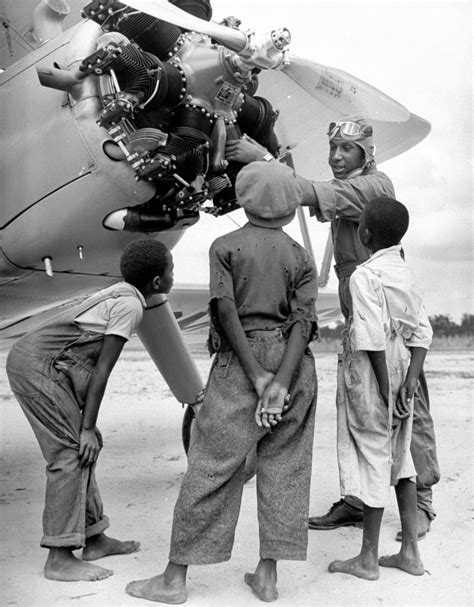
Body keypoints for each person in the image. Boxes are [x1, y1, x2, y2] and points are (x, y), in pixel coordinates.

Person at [225, 115, 440, 541]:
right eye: (334, 149)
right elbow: (315, 193)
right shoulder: (351, 187)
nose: (337, 157)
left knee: (405, 402)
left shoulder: (377, 188)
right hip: (355, 306)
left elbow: (309, 192)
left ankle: (422, 501)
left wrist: (265, 161)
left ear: (367, 153)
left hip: (384, 312)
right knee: (358, 406)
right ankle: (360, 499)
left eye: (348, 150)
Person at [126, 160, 318, 604]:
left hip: (241, 362)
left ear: (244, 199)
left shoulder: (225, 246)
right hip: (296, 367)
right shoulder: (301, 256)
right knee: (286, 468)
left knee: (211, 465)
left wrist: (256, 374)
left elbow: (226, 310)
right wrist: (281, 382)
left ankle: (175, 580)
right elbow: (304, 322)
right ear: (291, 208)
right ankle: (267, 576)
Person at [6, 239, 175, 582]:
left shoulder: (120, 293)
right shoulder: (131, 307)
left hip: (50, 367)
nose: (173, 275)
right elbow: (101, 368)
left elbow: (77, 361)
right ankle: (59, 557)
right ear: (157, 282)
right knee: (69, 454)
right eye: (171, 270)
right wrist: (85, 427)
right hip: (37, 367)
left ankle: (94, 538)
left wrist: (87, 425)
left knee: (85, 450)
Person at [328, 196, 430, 580]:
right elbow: (422, 332)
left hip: (376, 368)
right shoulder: (405, 272)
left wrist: (388, 390)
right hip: (405, 362)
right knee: (399, 456)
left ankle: (368, 559)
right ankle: (410, 554)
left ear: (364, 233)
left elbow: (370, 338)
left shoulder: (364, 276)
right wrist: (409, 384)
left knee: (374, 449)